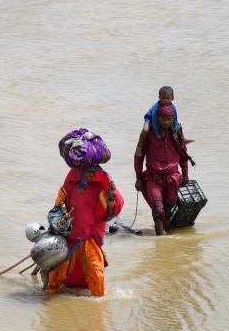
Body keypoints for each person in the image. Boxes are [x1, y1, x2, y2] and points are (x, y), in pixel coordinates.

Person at [44, 165, 124, 296]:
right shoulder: (69, 186)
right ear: (80, 173)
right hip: (71, 236)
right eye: (89, 173)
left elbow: (107, 214)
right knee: (58, 273)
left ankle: (98, 304)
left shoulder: (98, 188)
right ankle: (50, 297)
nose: (91, 175)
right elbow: (56, 212)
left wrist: (111, 203)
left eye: (93, 173)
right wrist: (58, 201)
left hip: (89, 237)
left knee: (96, 272)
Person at [134, 104, 193, 235]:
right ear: (157, 118)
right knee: (158, 208)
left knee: (167, 209)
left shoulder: (177, 133)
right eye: (163, 119)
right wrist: (138, 177)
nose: (166, 122)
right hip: (153, 177)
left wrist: (185, 174)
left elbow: (183, 155)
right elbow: (138, 155)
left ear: (173, 119)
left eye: (169, 119)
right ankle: (160, 240)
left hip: (172, 178)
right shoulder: (149, 133)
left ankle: (164, 240)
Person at [135, 86, 192, 158]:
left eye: (167, 98)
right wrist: (157, 134)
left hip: (165, 119)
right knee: (145, 129)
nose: (165, 100)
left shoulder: (173, 107)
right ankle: (139, 147)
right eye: (163, 98)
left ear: (172, 98)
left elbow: (175, 118)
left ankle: (183, 140)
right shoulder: (156, 107)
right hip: (150, 119)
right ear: (159, 97)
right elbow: (155, 121)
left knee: (178, 126)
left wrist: (175, 131)